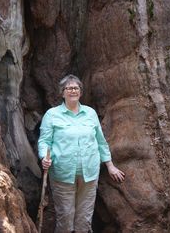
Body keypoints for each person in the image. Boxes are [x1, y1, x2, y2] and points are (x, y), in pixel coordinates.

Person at [38, 74, 125, 233]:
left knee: (84, 217)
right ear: (62, 92)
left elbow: (100, 141)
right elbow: (44, 141)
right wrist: (44, 156)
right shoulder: (52, 115)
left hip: (90, 174)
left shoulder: (90, 113)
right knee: (65, 216)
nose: (72, 91)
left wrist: (110, 166)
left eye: (76, 88)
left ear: (81, 92)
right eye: (69, 88)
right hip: (62, 174)